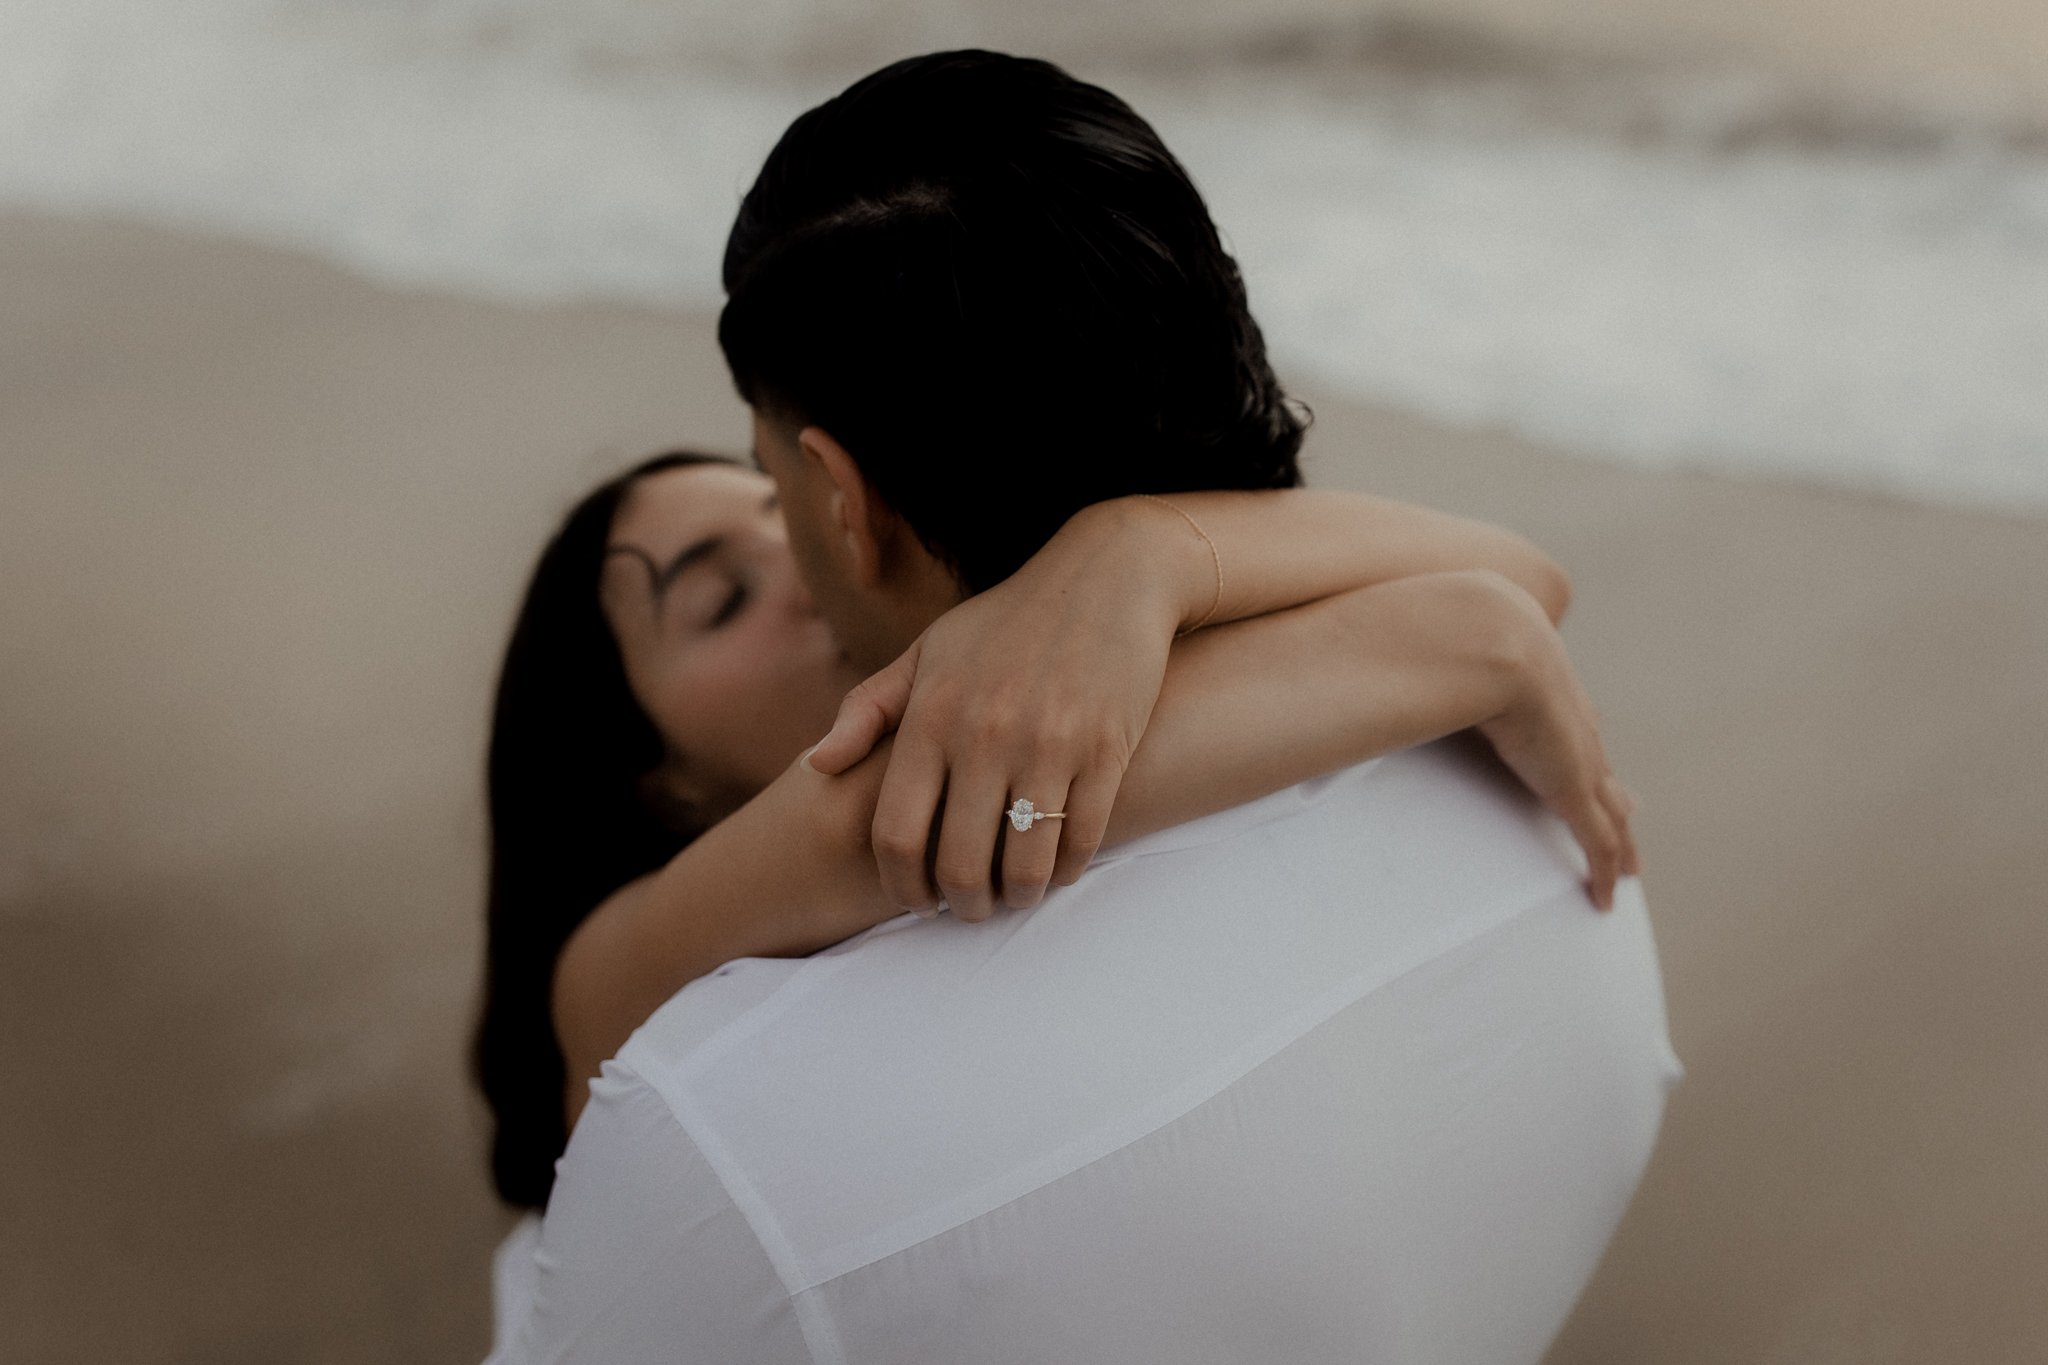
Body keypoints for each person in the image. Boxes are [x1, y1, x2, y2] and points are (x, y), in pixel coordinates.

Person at [483, 50, 1680, 1365]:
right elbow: (1507, 584)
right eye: (711, 596)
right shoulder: (1536, 836)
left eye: (772, 489)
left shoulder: (735, 1146)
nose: (791, 569)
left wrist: (1149, 554)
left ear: (843, 496)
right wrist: (1424, 623)